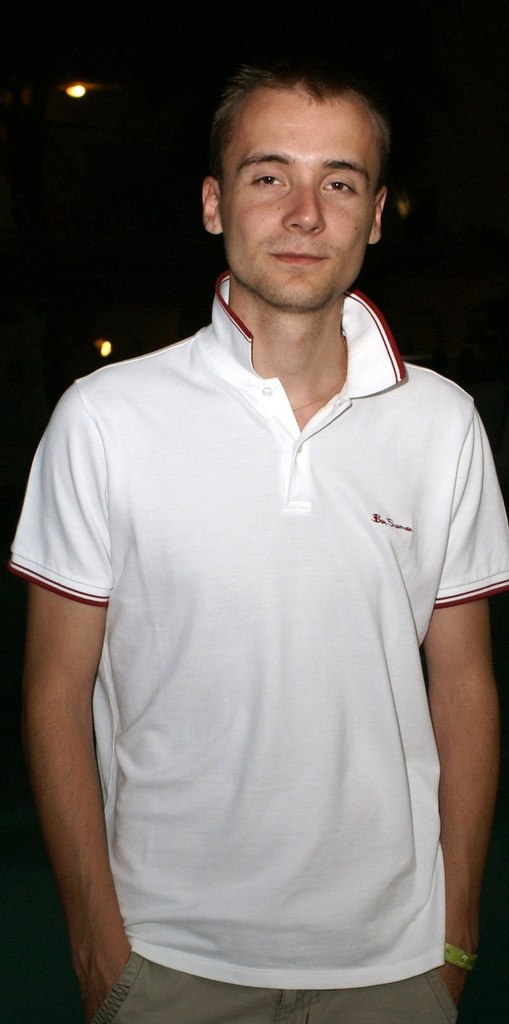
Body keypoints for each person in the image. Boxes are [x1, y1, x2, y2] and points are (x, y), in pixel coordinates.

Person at [9, 62, 509, 1024]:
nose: (304, 213)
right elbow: (54, 692)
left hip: (393, 963)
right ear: (213, 203)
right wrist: (95, 941)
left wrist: (454, 932)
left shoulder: (441, 422)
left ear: (374, 217)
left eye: (339, 182)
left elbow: (463, 687)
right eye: (268, 174)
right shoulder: (104, 418)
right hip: (165, 956)